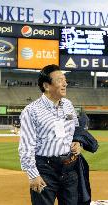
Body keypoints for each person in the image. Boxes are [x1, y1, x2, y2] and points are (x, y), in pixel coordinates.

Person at [18, 64, 82, 205]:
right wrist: (33, 175)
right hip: (45, 170)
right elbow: (26, 146)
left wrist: (77, 142)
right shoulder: (31, 111)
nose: (65, 83)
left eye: (65, 80)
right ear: (47, 86)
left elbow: (75, 127)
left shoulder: (68, 105)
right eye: (60, 80)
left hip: (69, 168)